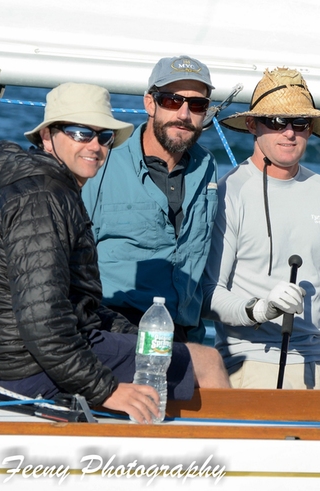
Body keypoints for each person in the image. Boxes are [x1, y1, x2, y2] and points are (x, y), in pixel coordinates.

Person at [0, 83, 229, 424]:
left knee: (169, 350)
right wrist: (108, 390)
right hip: (27, 367)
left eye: (104, 137)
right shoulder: (42, 199)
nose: (95, 146)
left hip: (12, 357)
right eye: (80, 133)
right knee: (206, 363)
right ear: (47, 137)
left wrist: (132, 334)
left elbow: (68, 304)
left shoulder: (50, 189)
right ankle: (226, 463)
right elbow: (43, 321)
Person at [202, 67, 320, 390]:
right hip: (253, 361)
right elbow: (209, 294)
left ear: (310, 129)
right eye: (277, 121)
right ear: (253, 125)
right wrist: (260, 308)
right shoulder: (230, 192)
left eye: (300, 123)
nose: (289, 132)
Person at [82, 55, 219, 344]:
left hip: (182, 333)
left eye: (197, 105)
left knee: (213, 372)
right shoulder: (103, 162)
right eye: (171, 100)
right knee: (212, 369)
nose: (184, 114)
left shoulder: (207, 166)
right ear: (149, 103)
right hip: (111, 328)